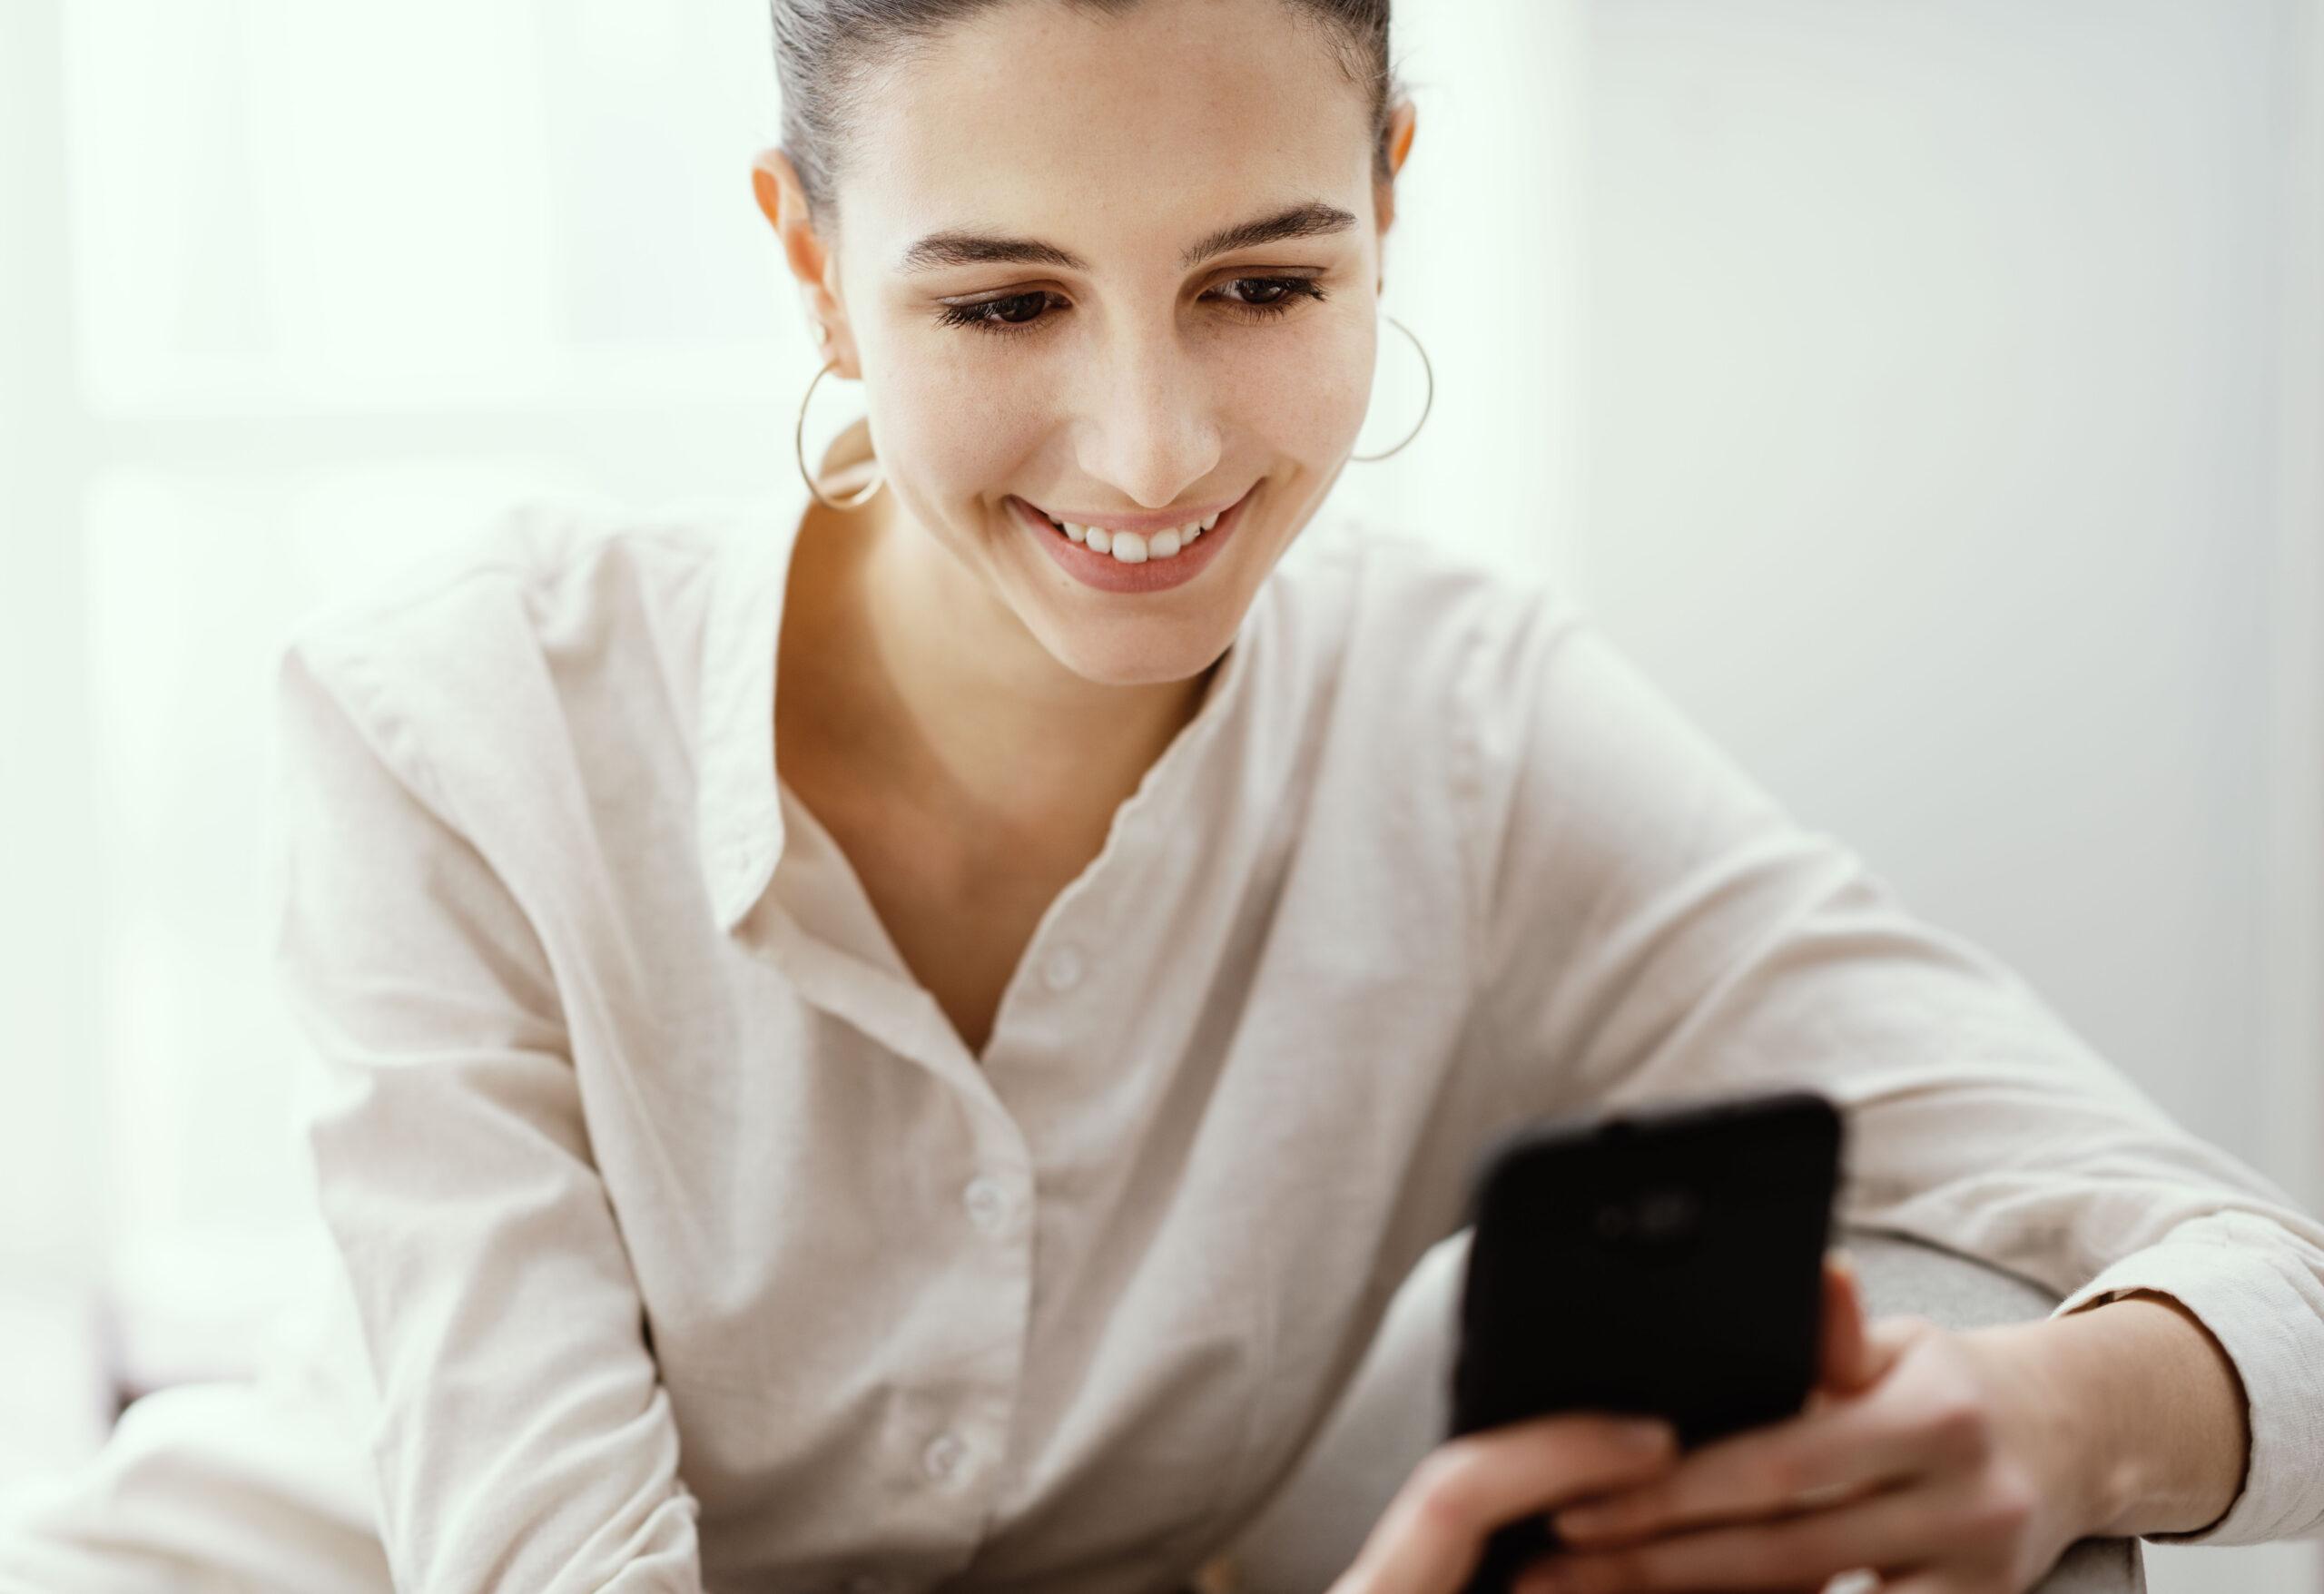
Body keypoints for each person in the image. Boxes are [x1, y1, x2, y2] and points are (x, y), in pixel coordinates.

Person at [5, 1, 2322, 1590]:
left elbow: (2268, 1284)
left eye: (1257, 280)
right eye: (1001, 305)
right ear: (810, 268)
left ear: (1385, 203)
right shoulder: (460, 729)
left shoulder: (1466, 747)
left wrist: (2048, 1420)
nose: (1151, 452)